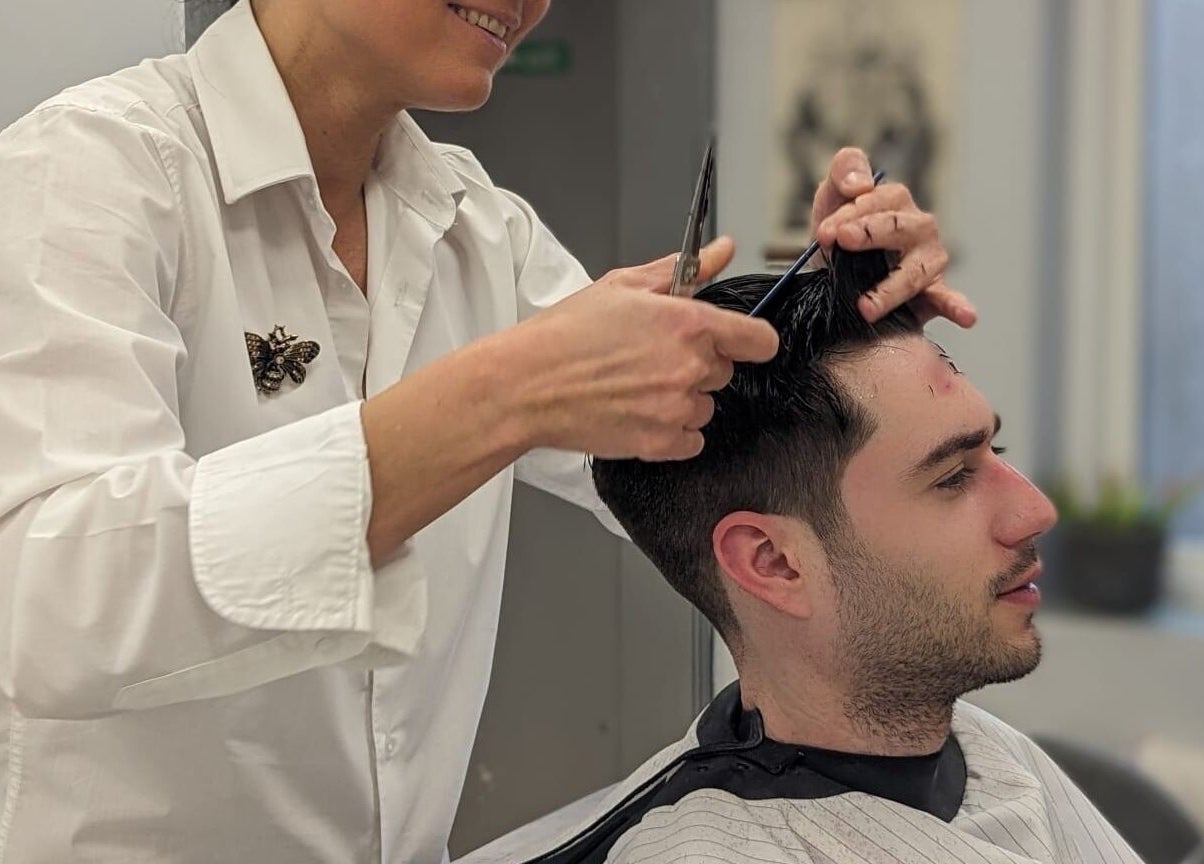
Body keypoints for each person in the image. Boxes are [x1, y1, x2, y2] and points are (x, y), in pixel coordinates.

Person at [0, 1, 970, 862]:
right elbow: (52, 610)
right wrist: (505, 393)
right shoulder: (87, 174)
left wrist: (837, 306)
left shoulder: (472, 223)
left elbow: (665, 459)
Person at [531, 248, 1141, 864]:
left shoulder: (990, 755)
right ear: (774, 562)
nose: (1035, 511)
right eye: (953, 476)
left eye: (994, 450)